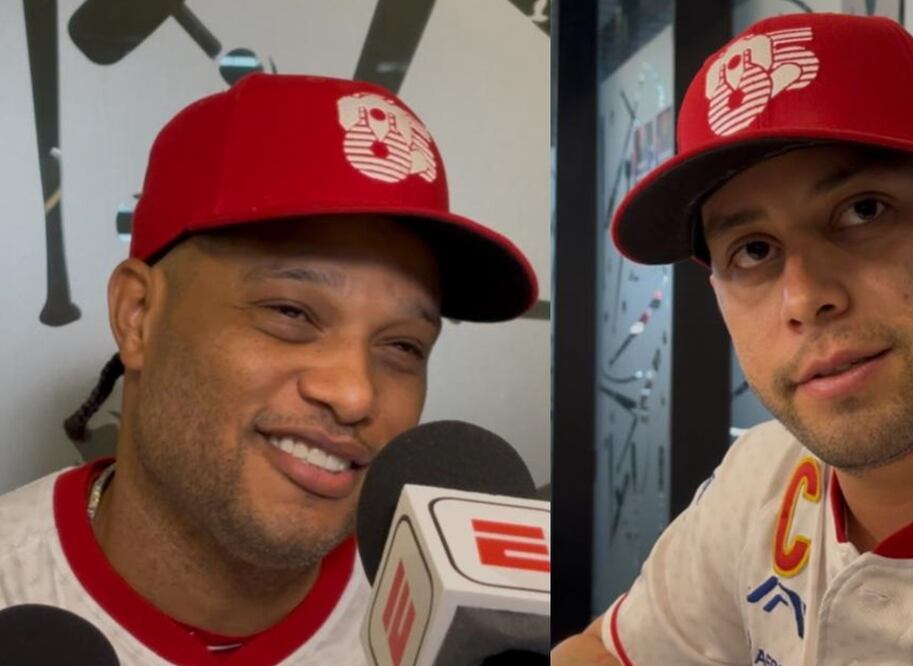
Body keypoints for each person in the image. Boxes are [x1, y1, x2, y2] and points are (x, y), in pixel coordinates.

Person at [553, 12, 913, 665]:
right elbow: (604, 654)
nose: (806, 296)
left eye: (863, 210)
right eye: (753, 249)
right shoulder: (762, 474)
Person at [0, 73, 536, 665]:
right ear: (138, 315)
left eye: (404, 346)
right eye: (291, 312)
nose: (354, 393)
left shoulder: (459, 640)